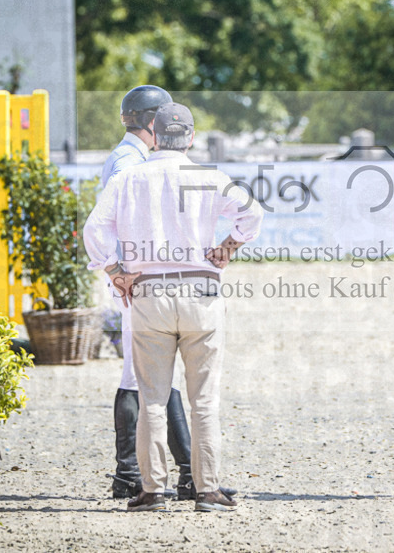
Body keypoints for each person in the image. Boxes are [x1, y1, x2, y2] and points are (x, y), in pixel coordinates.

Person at [84, 101, 264, 513]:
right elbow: (252, 212)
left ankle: (152, 490)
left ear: (153, 132)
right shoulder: (209, 176)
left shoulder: (129, 178)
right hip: (201, 291)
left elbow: (94, 230)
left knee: (151, 398)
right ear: (192, 137)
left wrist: (114, 270)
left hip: (148, 293)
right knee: (205, 399)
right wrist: (227, 247)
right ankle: (207, 490)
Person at [102, 85, 193, 501]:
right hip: (135, 281)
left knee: (154, 374)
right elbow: (113, 222)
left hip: (140, 279)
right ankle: (129, 473)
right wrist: (120, 272)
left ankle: (187, 470)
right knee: (138, 376)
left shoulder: (134, 158)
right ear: (152, 121)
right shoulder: (127, 162)